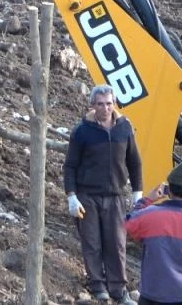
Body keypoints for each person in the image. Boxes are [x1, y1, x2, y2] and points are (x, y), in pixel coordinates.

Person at [63, 84, 143, 304]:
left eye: (109, 103)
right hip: (87, 196)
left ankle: (119, 290)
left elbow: (135, 163)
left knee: (117, 243)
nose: (105, 108)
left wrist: (137, 194)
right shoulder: (82, 132)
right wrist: (71, 196)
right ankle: (98, 286)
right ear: (92, 105)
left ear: (114, 104)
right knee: (92, 243)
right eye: (100, 104)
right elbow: (70, 166)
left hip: (115, 196)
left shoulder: (125, 128)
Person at [125, 160, 182, 305]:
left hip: (152, 293)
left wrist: (147, 200)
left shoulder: (148, 215)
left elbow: (128, 224)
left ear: (169, 189)